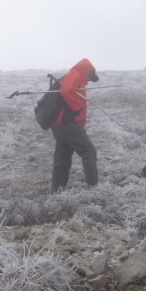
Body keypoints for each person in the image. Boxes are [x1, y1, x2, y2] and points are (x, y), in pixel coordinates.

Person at [50, 58, 99, 191]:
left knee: (63, 158)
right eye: (90, 77)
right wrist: (76, 108)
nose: (89, 80)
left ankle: (57, 191)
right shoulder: (75, 74)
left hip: (59, 124)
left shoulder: (76, 76)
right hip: (68, 123)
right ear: (87, 71)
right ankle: (94, 190)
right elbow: (66, 91)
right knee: (89, 151)